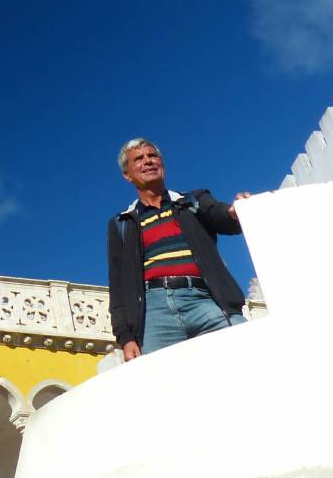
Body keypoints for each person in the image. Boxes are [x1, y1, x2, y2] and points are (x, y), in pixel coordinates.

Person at [107, 138, 251, 361]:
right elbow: (118, 284)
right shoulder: (122, 223)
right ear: (127, 175)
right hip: (154, 313)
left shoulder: (192, 201)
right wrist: (125, 336)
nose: (148, 161)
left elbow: (219, 215)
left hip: (206, 300)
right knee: (163, 380)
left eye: (152, 156)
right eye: (139, 159)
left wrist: (234, 212)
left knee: (245, 358)